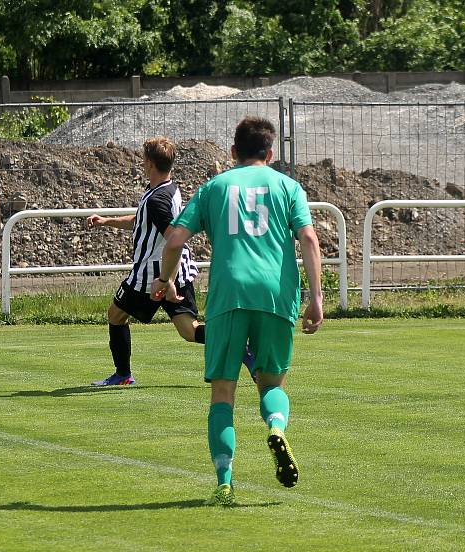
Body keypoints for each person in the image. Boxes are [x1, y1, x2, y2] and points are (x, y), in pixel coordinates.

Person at [151, 116, 323, 506]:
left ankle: (224, 483)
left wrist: (165, 279)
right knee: (271, 384)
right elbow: (309, 238)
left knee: (223, 393)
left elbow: (175, 237)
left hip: (229, 294)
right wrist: (316, 297)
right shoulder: (288, 186)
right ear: (271, 152)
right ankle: (276, 428)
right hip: (276, 295)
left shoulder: (215, 186)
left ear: (232, 152)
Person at [85, 136, 205, 386]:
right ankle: (241, 345)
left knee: (116, 315)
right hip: (176, 270)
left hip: (151, 276)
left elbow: (174, 238)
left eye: (143, 160)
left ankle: (122, 375)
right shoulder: (168, 190)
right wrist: (107, 221)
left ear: (150, 164)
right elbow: (142, 221)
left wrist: (165, 280)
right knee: (190, 331)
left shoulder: (156, 200)